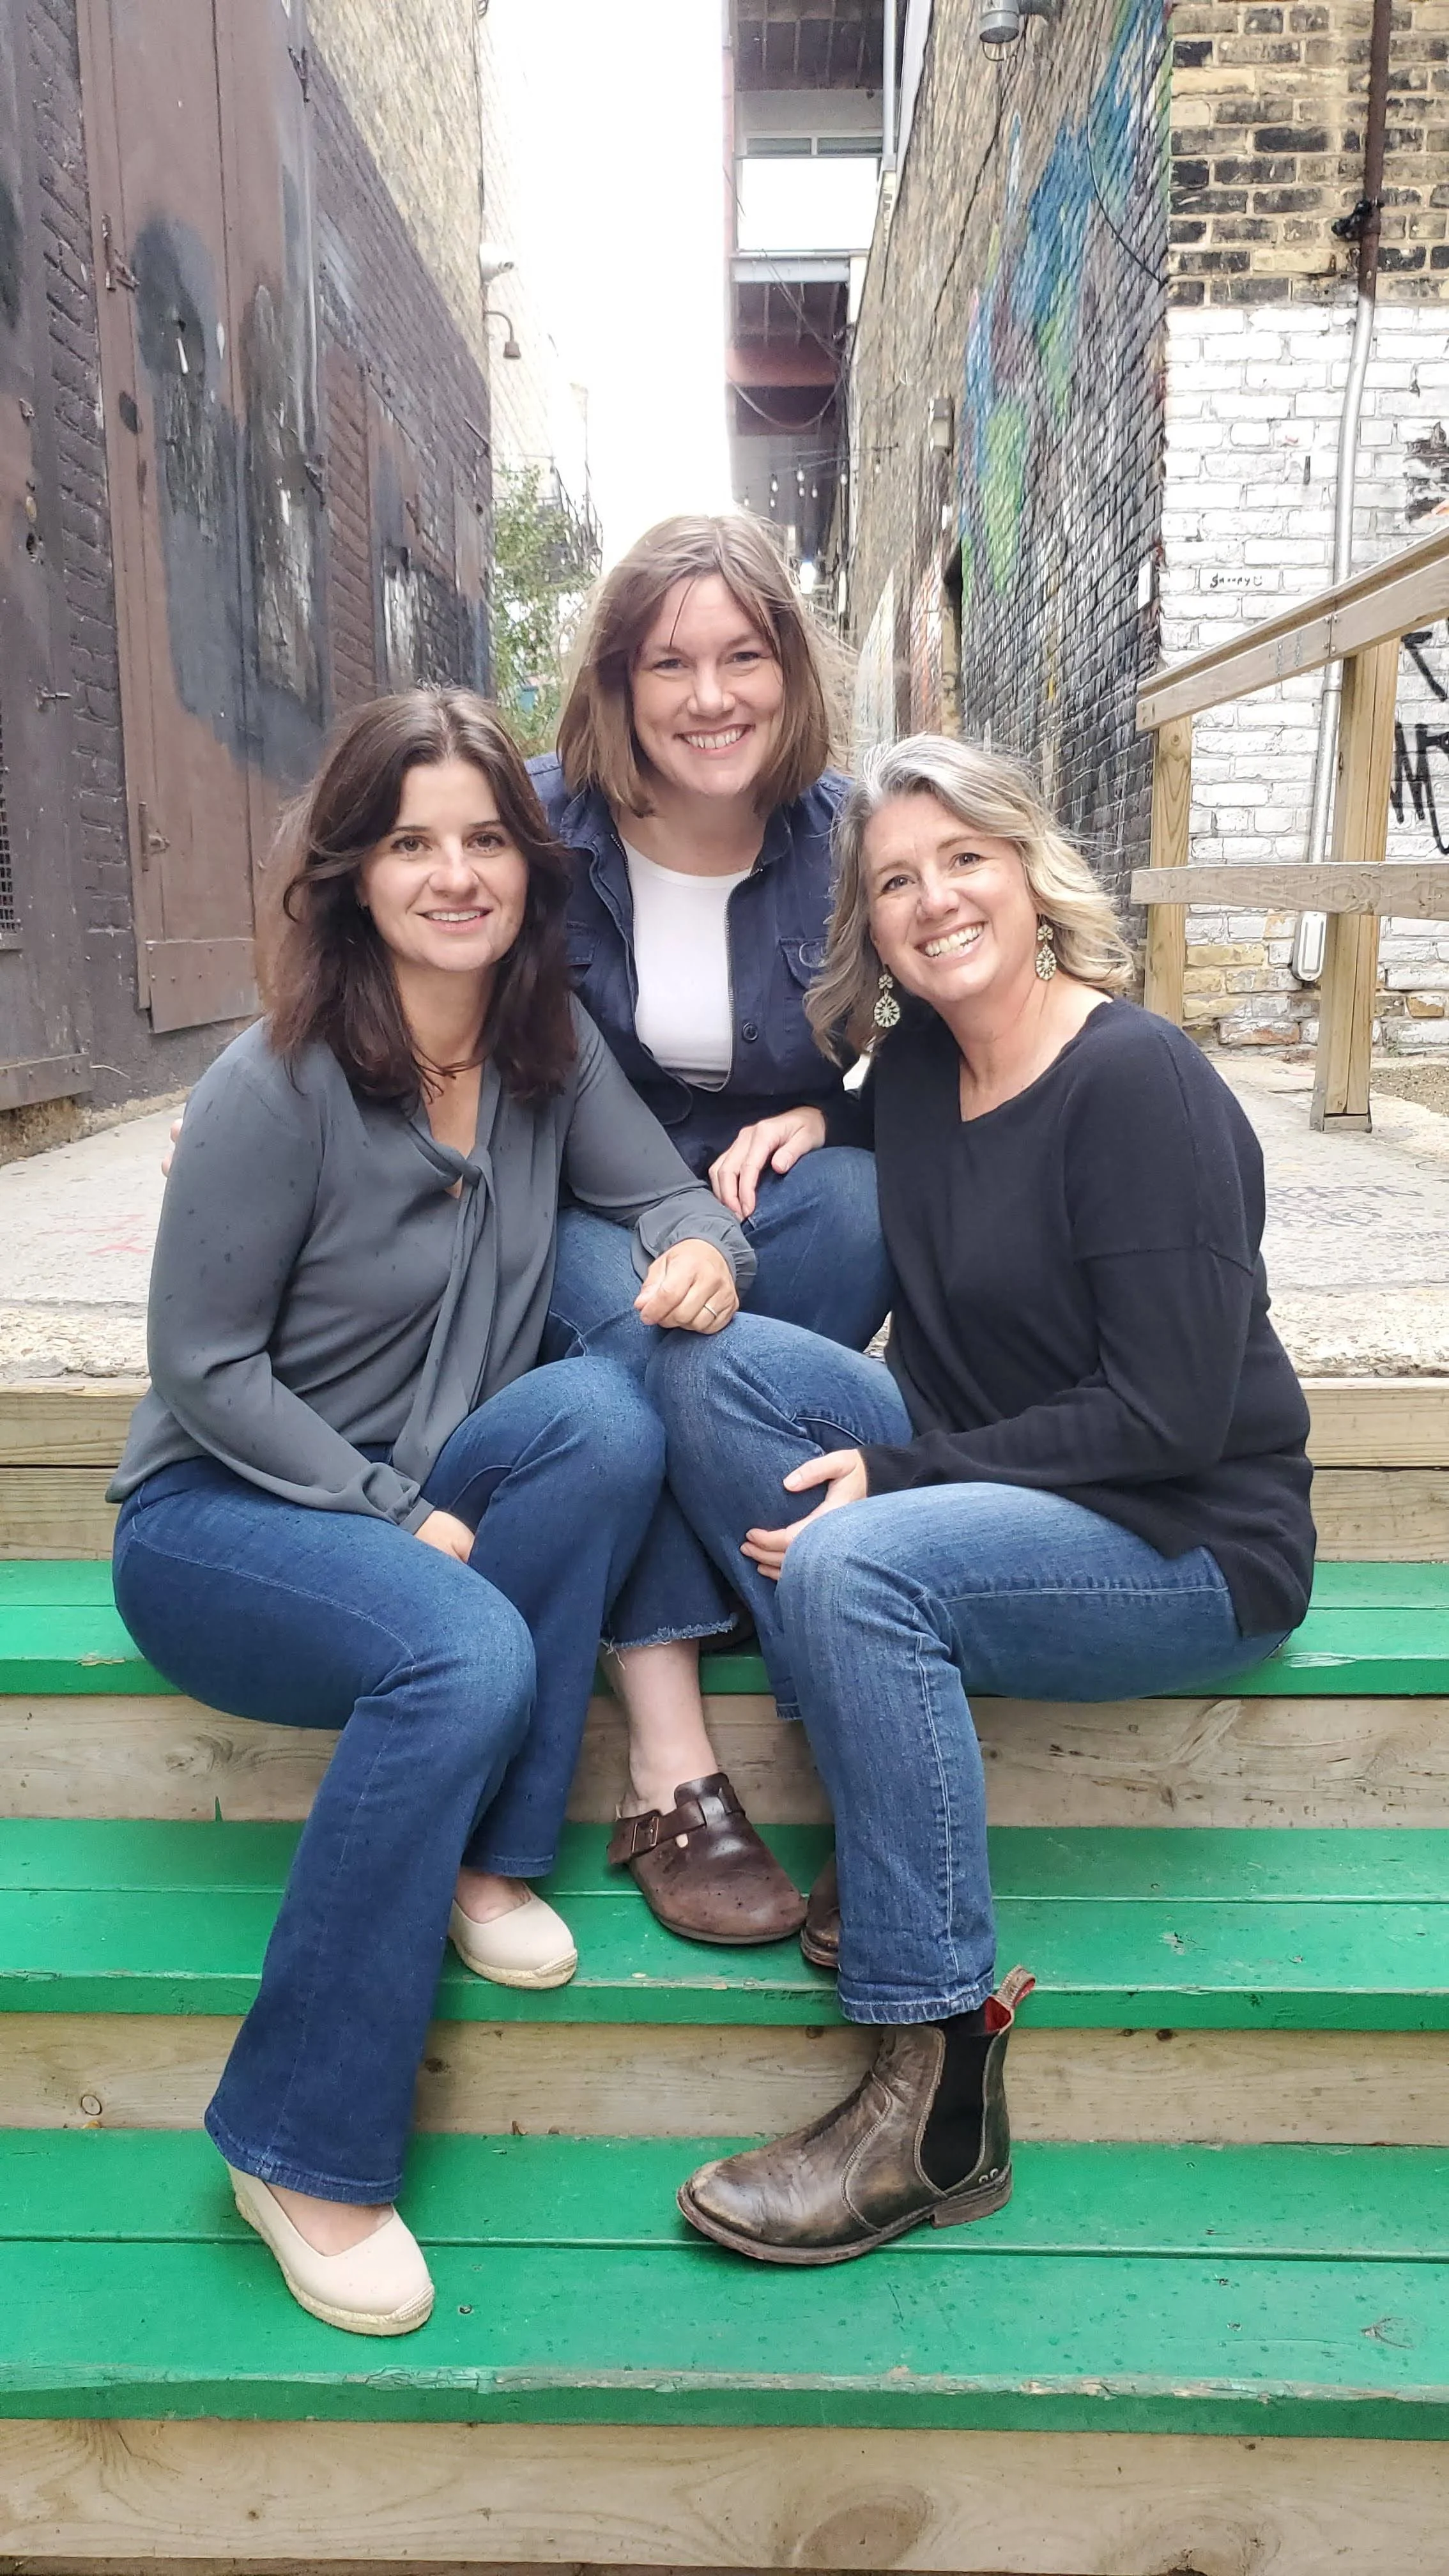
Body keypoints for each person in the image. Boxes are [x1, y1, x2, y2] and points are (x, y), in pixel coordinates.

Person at [109, 691, 753, 2336]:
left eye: (484, 840)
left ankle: (485, 1857)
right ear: (351, 873)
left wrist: (703, 1252)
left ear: (529, 871)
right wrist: (389, 1507)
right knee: (460, 1651)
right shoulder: (279, 1085)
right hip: (225, 1519)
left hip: (415, 1502)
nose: (456, 874)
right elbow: (201, 1366)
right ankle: (295, 2146)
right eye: (412, 843)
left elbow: (666, 1193)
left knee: (606, 1420)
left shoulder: (541, 1055)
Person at [647, 735, 1317, 2265]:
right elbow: (929, 1146)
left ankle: (939, 2099)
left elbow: (1172, 1412)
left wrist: (902, 1475)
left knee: (859, 1568)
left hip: (1187, 1535)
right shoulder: (929, 1068)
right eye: (897, 881)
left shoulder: (1138, 1080)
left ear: (1031, 874)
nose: (936, 900)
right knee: (709, 1373)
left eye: (966, 861)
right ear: (871, 931)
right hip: (1001, 1490)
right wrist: (829, 1119)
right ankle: (887, 1802)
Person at [530, 513, 893, 1948]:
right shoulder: (541, 824)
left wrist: (839, 1121)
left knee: (862, 1214)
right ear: (618, 685)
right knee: (652, 1333)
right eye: (668, 663)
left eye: (745, 654)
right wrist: (275, 1096)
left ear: (792, 669)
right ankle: (673, 1749)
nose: (710, 696)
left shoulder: (852, 834)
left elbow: (944, 1039)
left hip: (760, 1191)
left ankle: (734, 1540)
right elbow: (396, 939)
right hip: (576, 1188)